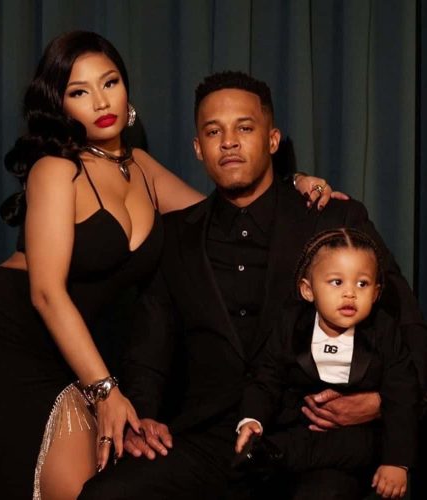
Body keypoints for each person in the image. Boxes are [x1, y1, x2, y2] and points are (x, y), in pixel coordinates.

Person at [0, 34, 332, 500]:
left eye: (110, 82)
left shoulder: (140, 167)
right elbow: (46, 293)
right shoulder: (56, 170)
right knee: (74, 488)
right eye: (79, 91)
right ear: (60, 104)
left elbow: (226, 215)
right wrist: (106, 391)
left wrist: (293, 181)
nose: (101, 102)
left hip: (66, 350)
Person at [79, 71, 427, 500]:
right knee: (107, 494)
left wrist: (381, 403)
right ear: (198, 149)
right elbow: (149, 346)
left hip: (313, 441)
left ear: (272, 140)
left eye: (244, 128)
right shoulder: (174, 236)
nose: (228, 142)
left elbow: (405, 322)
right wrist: (143, 417)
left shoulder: (333, 219)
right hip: (210, 440)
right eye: (214, 132)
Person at [235, 228, 420, 499]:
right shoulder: (291, 323)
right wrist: (252, 420)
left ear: (376, 293)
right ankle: (267, 456)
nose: (350, 293)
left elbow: (403, 394)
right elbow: (266, 378)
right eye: (336, 282)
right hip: (300, 426)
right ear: (308, 290)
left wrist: (397, 462)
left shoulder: (384, 331)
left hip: (357, 438)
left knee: (354, 444)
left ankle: (274, 455)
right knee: (291, 447)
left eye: (362, 284)